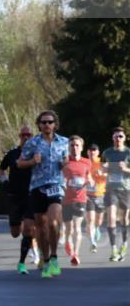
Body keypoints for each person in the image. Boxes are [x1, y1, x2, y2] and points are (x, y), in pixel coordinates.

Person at [17, 110, 69, 278]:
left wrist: (65, 163)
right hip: (37, 187)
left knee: (53, 222)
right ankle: (46, 260)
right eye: (44, 122)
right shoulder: (32, 143)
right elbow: (19, 163)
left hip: (56, 185)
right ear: (39, 125)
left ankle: (54, 257)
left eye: (50, 122)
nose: (47, 125)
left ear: (55, 124)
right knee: (41, 226)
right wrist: (32, 161)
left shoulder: (64, 141)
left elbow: (67, 160)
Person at [0, 126, 40, 275]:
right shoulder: (12, 153)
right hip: (15, 196)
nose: (26, 137)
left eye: (29, 135)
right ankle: (29, 243)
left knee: (28, 228)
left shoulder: (37, 154)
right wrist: (4, 182)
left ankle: (22, 262)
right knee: (15, 232)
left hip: (31, 195)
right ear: (19, 136)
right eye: (24, 135)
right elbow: (2, 169)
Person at [61, 135, 93, 266]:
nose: (74, 148)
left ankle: (75, 254)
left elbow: (89, 175)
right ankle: (69, 244)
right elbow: (59, 176)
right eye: (72, 145)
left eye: (77, 145)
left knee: (77, 227)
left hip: (80, 199)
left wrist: (90, 180)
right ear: (68, 147)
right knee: (69, 229)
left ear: (82, 147)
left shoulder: (87, 162)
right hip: (65, 199)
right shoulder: (64, 161)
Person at [102, 126, 130, 262]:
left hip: (125, 189)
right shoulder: (107, 153)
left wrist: (126, 169)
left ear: (124, 138)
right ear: (112, 138)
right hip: (110, 189)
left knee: (124, 219)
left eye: (120, 136)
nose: (118, 139)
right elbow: (103, 169)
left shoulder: (128, 153)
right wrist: (104, 169)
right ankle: (113, 248)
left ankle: (124, 243)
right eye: (116, 136)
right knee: (111, 217)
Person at [86, 143, 107, 252]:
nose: (92, 152)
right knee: (90, 220)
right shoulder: (84, 163)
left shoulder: (102, 163)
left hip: (100, 195)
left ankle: (97, 228)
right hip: (88, 196)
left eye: (94, 150)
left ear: (98, 152)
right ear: (87, 152)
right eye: (90, 150)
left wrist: (103, 175)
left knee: (98, 220)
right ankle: (93, 243)